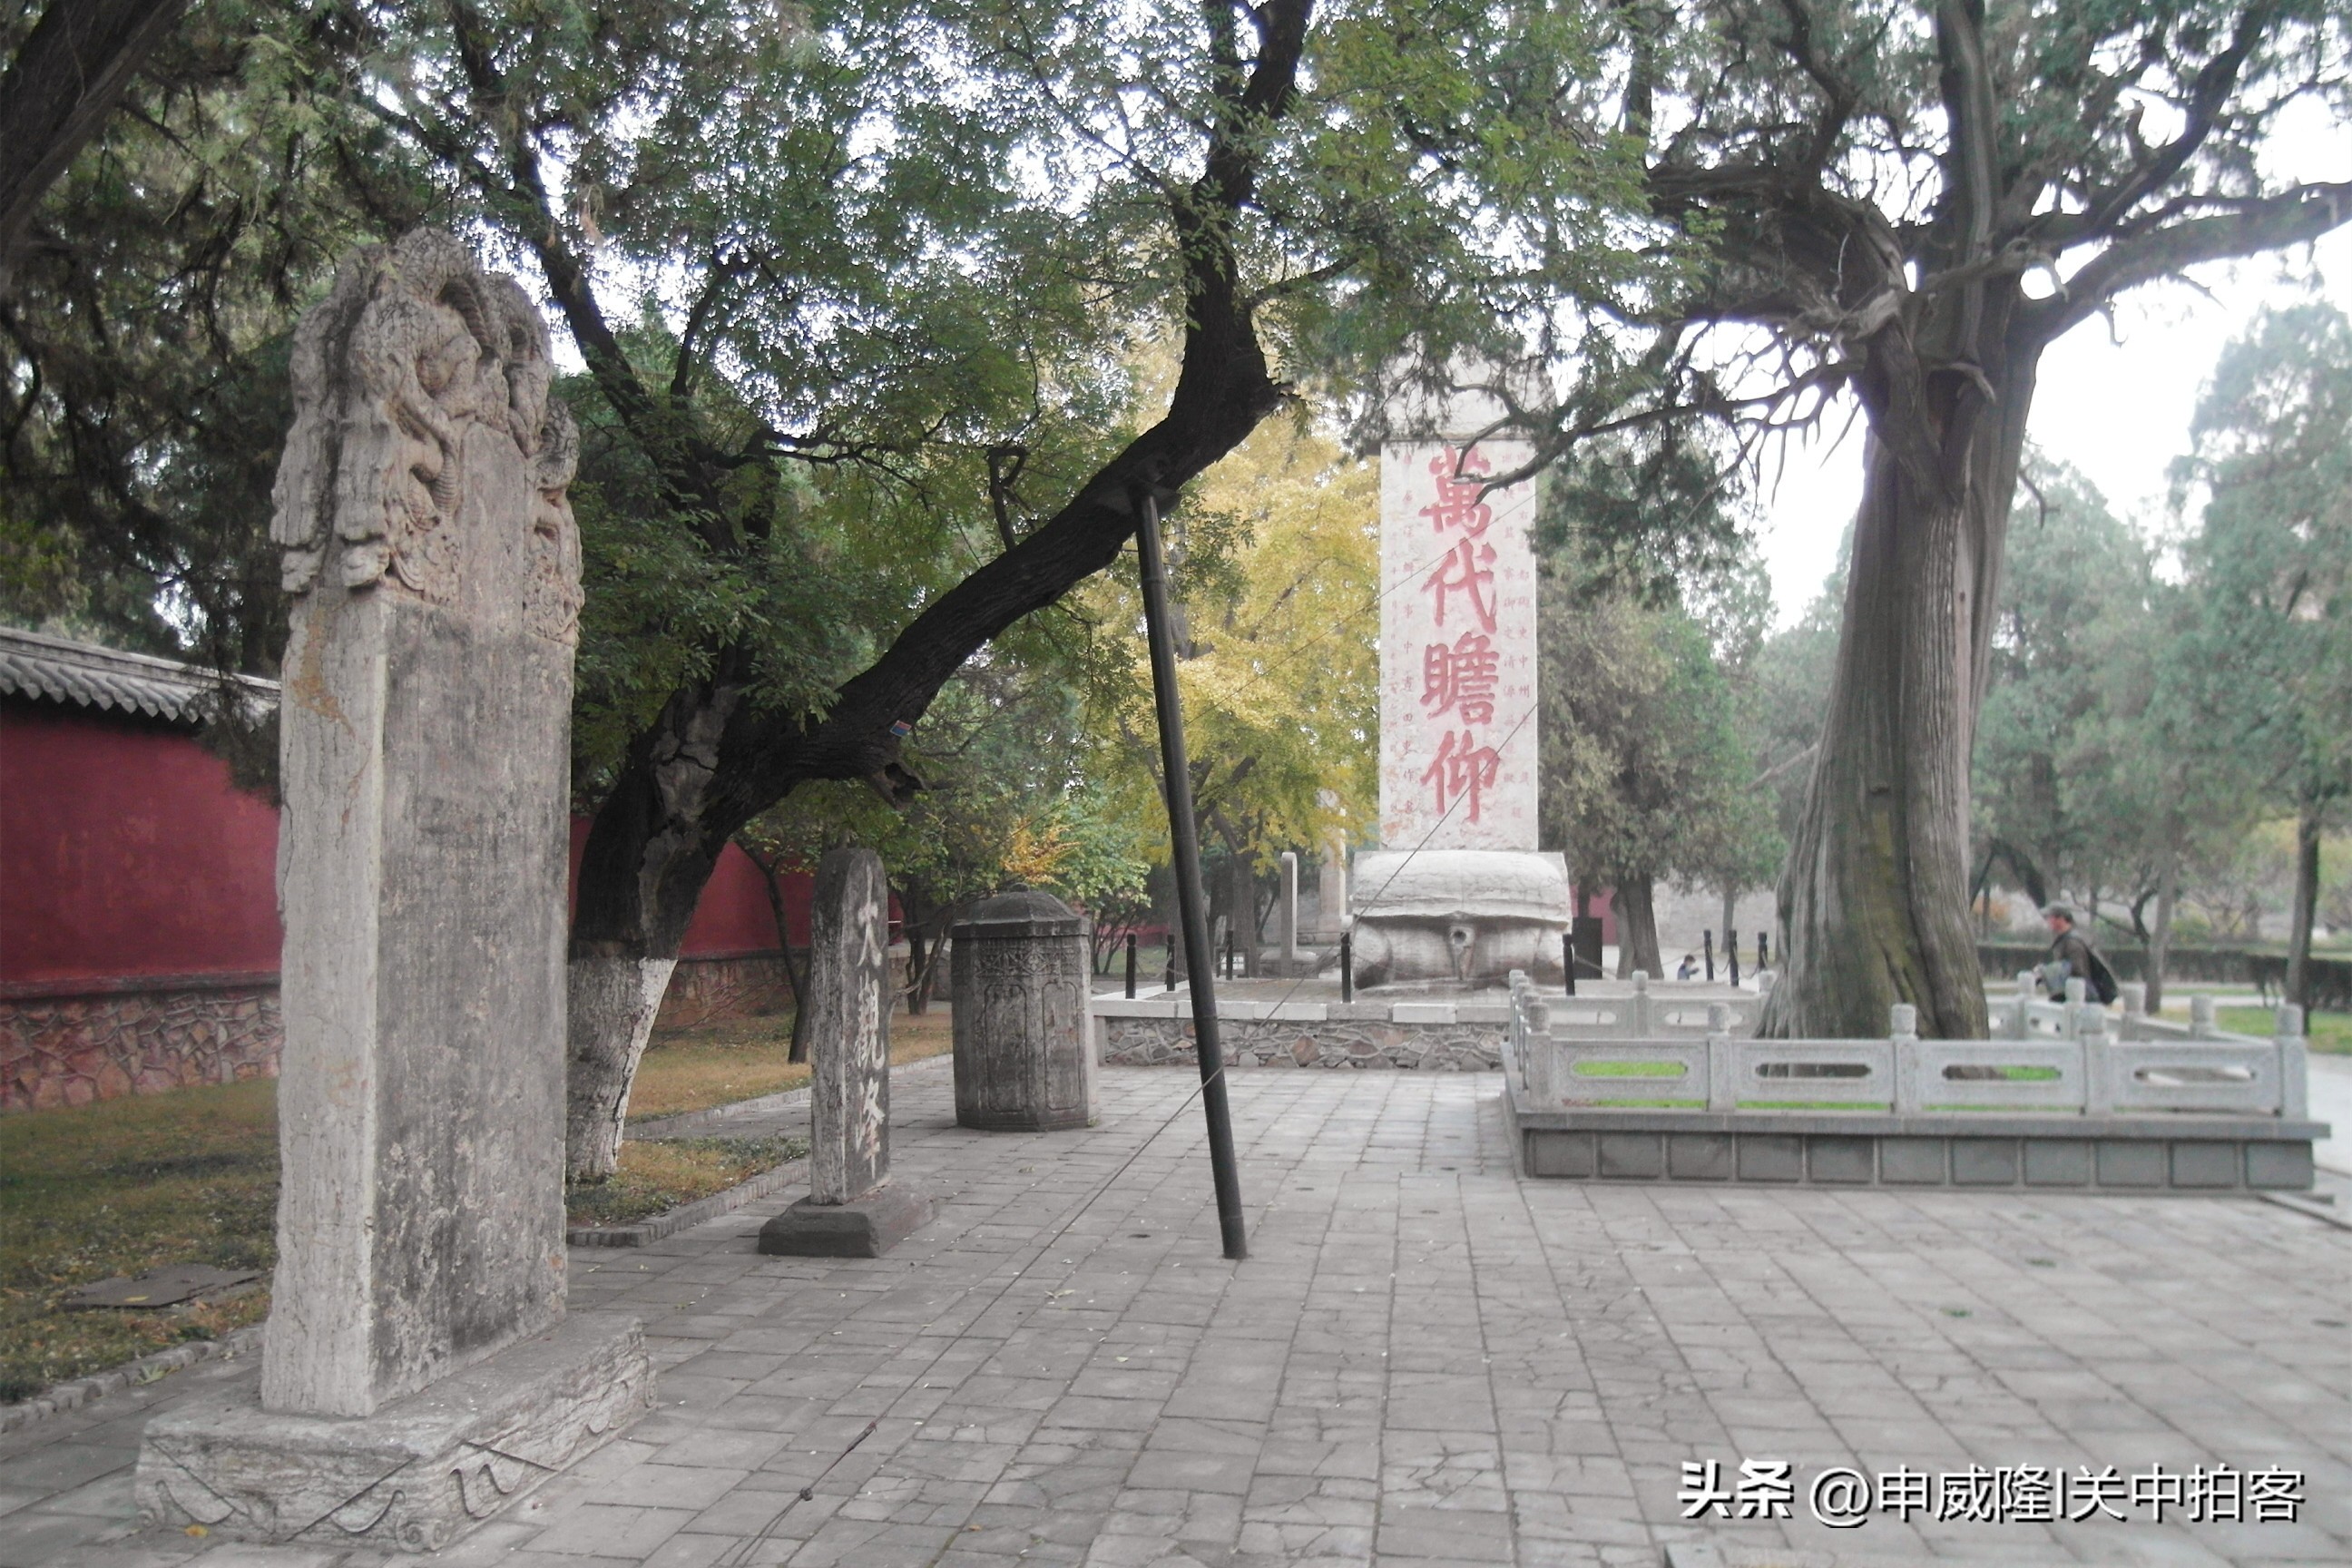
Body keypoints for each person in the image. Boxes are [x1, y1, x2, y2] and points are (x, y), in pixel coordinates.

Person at [2039, 903, 2117, 1004]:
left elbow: (2078, 971)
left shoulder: (2072, 942)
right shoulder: (2065, 939)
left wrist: (2048, 971)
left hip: (2083, 999)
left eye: (2050, 917)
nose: (2048, 921)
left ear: (2061, 919)